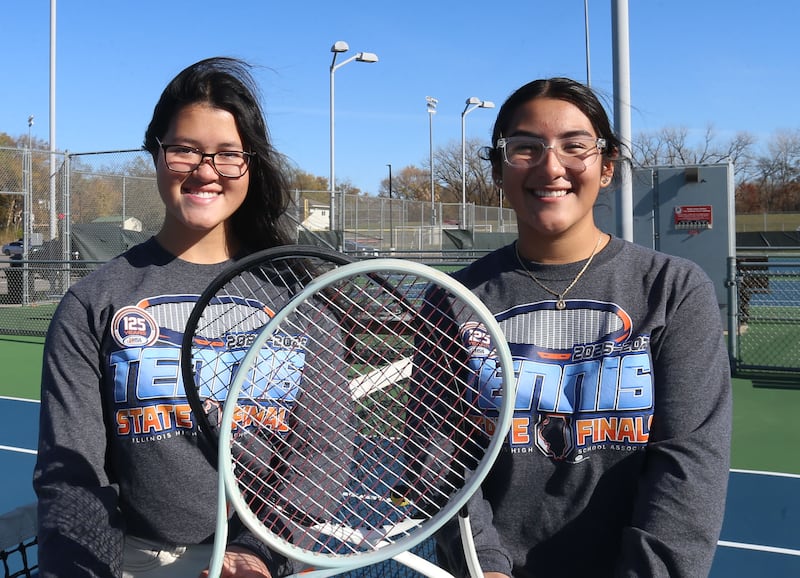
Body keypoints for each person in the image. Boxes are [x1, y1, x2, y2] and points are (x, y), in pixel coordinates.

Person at [435, 78, 732, 577]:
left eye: (575, 146)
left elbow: (689, 466)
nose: (552, 167)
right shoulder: (451, 301)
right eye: (525, 148)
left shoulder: (674, 290)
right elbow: (443, 465)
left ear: (607, 166)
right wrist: (485, 567)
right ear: (498, 170)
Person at [33, 57, 318, 578]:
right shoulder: (92, 302)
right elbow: (71, 474)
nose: (206, 170)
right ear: (156, 153)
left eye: (229, 155)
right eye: (185, 149)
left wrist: (260, 553)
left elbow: (322, 449)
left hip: (272, 562)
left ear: (250, 166)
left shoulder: (299, 293)